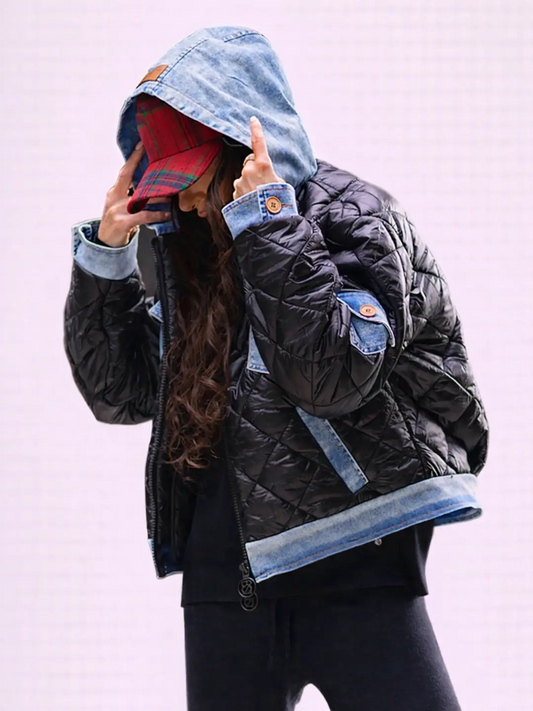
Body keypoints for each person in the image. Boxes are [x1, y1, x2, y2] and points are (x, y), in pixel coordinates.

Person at [63, 26, 489, 711]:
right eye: (170, 184)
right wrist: (106, 258)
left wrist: (266, 222)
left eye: (192, 180)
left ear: (242, 143)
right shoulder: (182, 244)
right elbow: (121, 394)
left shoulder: (354, 215)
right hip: (222, 576)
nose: (187, 201)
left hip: (356, 552)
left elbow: (328, 378)